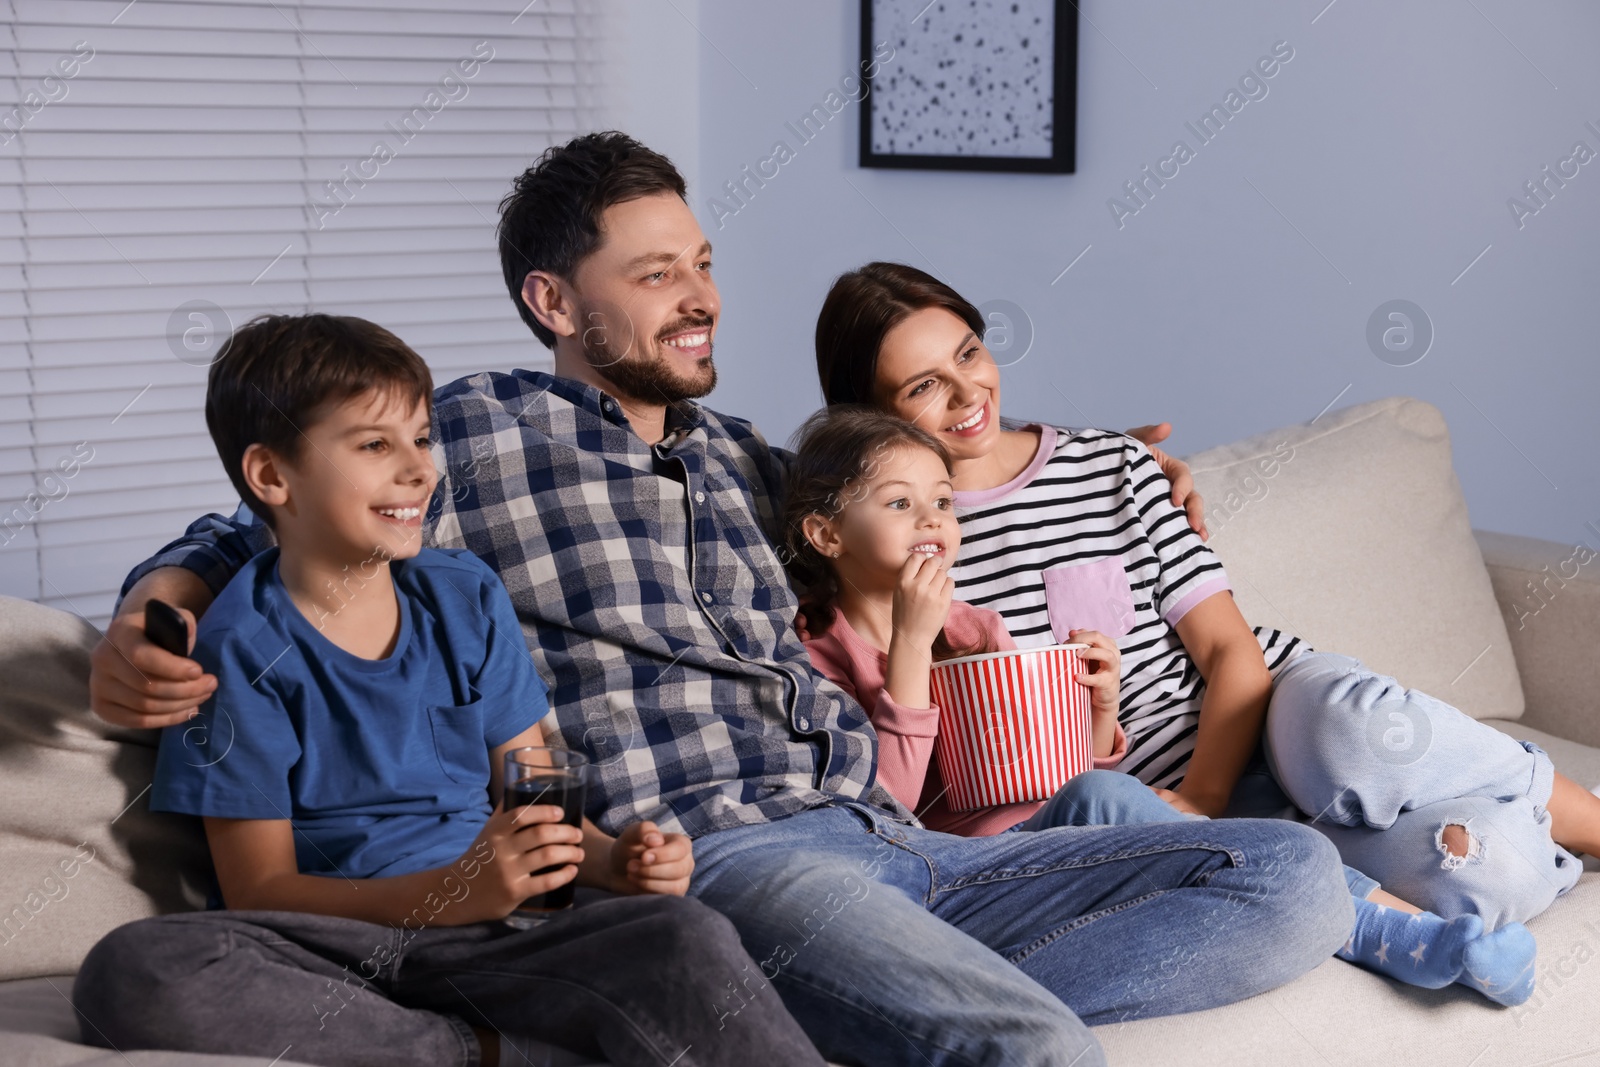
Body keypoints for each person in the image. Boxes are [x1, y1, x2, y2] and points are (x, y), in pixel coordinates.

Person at [86, 133, 1355, 1067]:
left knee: (1290, 874)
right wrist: (160, 597)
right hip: (723, 857)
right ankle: (838, 1004)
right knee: (1028, 1046)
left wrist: (1111, 458)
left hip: (892, 833)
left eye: (701, 262)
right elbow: (273, 513)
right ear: (555, 302)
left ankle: (832, 1009)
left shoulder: (756, 458)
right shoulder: (471, 433)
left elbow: (922, 484)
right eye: (655, 275)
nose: (700, 296)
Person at [72, 313, 824, 1067]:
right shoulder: (238, 647)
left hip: (494, 925)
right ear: (272, 476)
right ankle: (483, 1052)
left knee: (683, 934)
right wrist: (445, 891)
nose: (420, 470)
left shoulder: (463, 594)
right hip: (336, 940)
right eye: (374, 444)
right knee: (135, 970)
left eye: (423, 438)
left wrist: (609, 859)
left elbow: (536, 791)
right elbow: (258, 887)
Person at [814, 261, 1599, 929]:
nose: (967, 393)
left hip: (1273, 717)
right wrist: (1188, 829)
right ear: (868, 416)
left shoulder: (1114, 467)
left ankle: (1589, 818)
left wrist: (1202, 795)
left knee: (1348, 729)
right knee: (1472, 874)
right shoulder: (891, 549)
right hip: (1165, 818)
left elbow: (1232, 652)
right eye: (924, 387)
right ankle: (1526, 839)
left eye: (971, 353)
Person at [784, 404, 1542, 1005]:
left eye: (943, 502)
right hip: (974, 867)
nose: (932, 522)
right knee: (1110, 798)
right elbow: (892, 807)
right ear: (826, 532)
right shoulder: (816, 651)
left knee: (1108, 791)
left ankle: (1451, 884)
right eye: (899, 503)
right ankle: (1386, 929)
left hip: (1063, 824)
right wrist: (908, 650)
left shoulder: (974, 624)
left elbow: (1044, 762)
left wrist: (1096, 710)